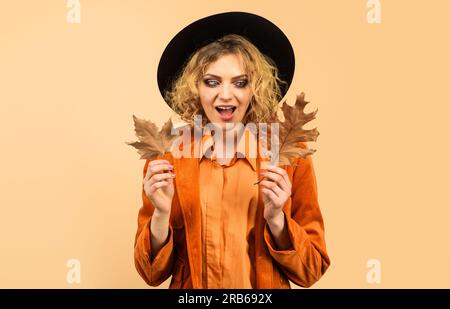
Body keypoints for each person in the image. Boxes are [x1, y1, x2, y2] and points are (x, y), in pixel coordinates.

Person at [134, 12, 330, 289]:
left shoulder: (290, 156)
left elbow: (311, 271)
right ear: (194, 89)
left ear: (256, 89)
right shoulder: (168, 158)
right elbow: (151, 274)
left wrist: (277, 220)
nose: (226, 95)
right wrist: (161, 214)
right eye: (212, 82)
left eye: (240, 82)